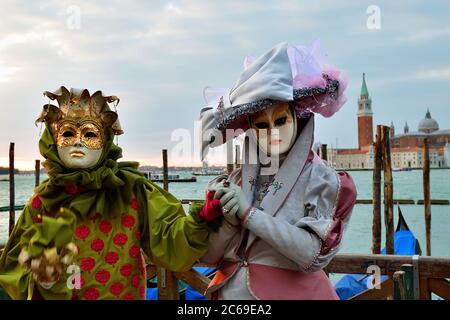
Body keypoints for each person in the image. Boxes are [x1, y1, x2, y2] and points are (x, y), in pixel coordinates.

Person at [0, 87, 222, 300]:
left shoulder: (132, 191)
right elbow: (15, 268)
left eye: (89, 133)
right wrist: (42, 275)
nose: (78, 141)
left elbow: (170, 241)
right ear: (52, 140)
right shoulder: (43, 202)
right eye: (67, 132)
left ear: (105, 139)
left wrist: (202, 218)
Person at [199, 41, 357, 299]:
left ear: (299, 118)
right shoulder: (237, 179)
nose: (272, 132)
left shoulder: (321, 180)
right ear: (250, 129)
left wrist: (249, 215)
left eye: (281, 120)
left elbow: (314, 255)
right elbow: (208, 257)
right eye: (261, 124)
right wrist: (227, 221)